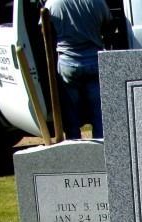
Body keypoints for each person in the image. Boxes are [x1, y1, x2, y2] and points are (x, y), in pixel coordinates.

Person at [43, 0, 111, 138]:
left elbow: (45, 30)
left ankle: (75, 150)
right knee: (99, 114)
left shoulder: (52, 3)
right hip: (95, 61)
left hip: (68, 63)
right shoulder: (97, 2)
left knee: (71, 114)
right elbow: (108, 24)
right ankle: (101, 150)